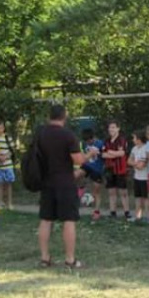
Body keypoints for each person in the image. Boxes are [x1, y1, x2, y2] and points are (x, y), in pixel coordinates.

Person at [37, 104, 98, 269]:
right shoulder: (67, 135)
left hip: (46, 181)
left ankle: (45, 258)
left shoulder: (41, 134)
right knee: (69, 220)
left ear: (50, 116)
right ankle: (70, 260)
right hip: (65, 182)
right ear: (64, 116)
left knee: (45, 219)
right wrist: (90, 154)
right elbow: (78, 160)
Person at [103, 120, 130, 220]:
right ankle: (112, 212)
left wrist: (110, 152)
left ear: (118, 128)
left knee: (123, 192)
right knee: (111, 192)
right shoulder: (106, 141)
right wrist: (114, 153)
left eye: (113, 127)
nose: (111, 129)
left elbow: (122, 153)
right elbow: (103, 154)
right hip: (109, 169)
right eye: (110, 127)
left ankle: (127, 213)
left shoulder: (122, 140)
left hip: (120, 169)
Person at [77, 128, 104, 220]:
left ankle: (96, 212)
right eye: (86, 141)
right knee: (77, 174)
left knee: (96, 190)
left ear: (93, 138)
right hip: (87, 165)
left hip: (97, 169)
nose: (87, 143)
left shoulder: (100, 143)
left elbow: (105, 155)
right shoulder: (84, 144)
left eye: (89, 141)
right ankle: (81, 188)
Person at [0, 121, 16, 211]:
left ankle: (9, 203)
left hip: (8, 164)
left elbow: (12, 149)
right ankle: (0, 203)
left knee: (9, 184)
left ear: (3, 128)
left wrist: (5, 157)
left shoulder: (7, 138)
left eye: (1, 128)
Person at [128, 131, 149, 222]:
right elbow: (128, 161)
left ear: (139, 139)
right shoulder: (134, 149)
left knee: (146, 198)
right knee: (137, 198)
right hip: (137, 177)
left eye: (134, 138)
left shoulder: (146, 148)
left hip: (146, 178)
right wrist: (135, 163)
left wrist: (134, 163)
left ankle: (148, 217)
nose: (133, 140)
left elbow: (142, 166)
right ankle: (138, 216)